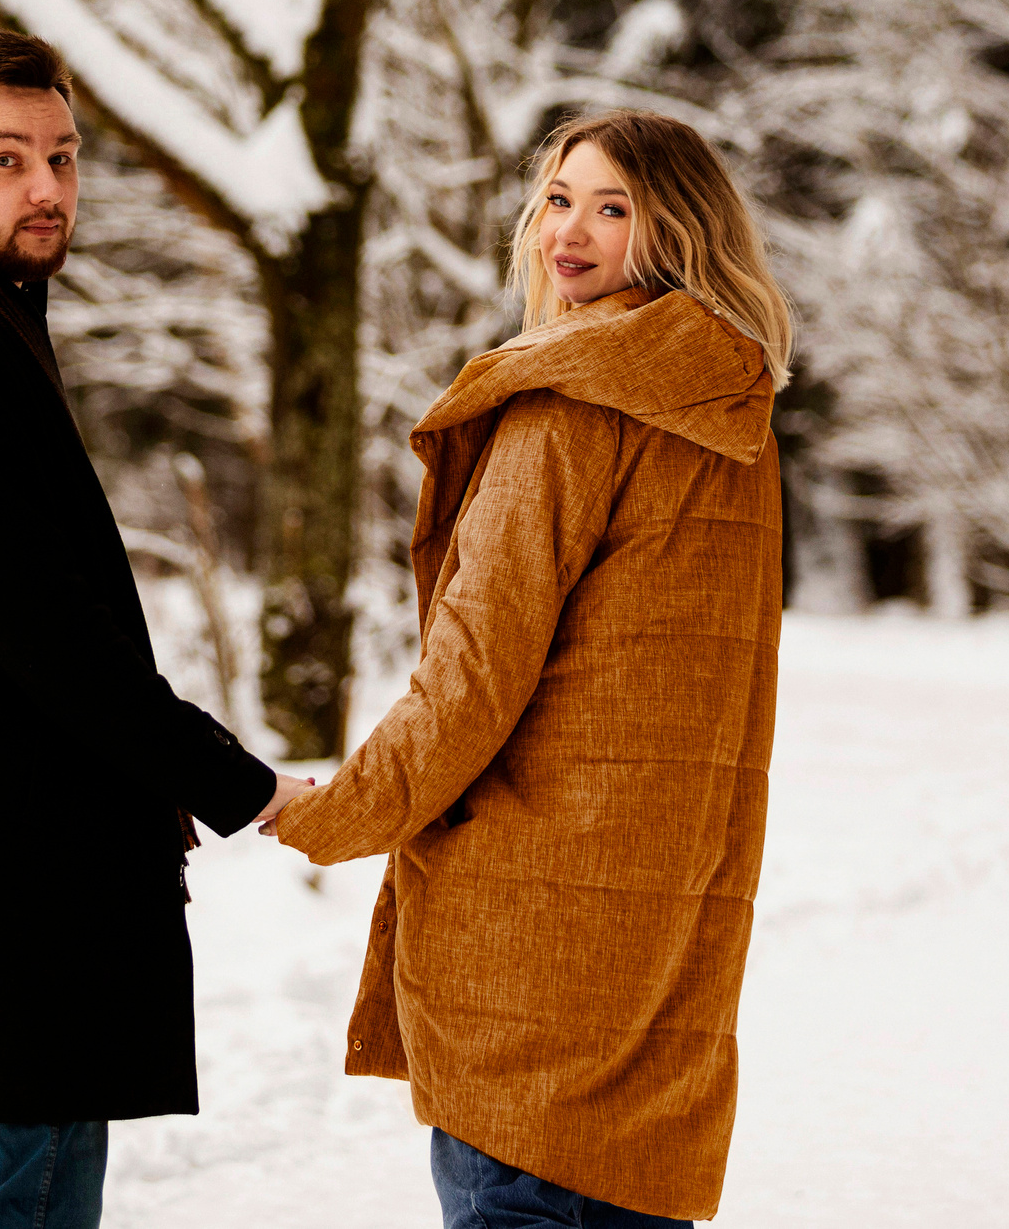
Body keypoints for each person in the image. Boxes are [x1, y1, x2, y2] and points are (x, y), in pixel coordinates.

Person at [0, 29, 310, 1229]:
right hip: (1, 896)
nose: (45, 189)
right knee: (16, 1206)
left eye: (64, 158)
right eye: (8, 159)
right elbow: (50, 637)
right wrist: (237, 783)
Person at [268, 110, 793, 1227]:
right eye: (560, 199)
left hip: (532, 975)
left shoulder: (573, 408)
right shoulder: (725, 412)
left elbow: (471, 679)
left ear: (679, 228)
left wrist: (323, 814)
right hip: (658, 959)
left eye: (614, 207)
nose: (573, 232)